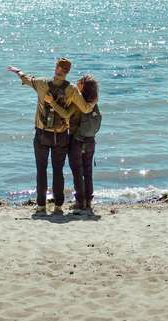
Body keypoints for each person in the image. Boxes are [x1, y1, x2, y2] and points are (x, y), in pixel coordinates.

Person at [7, 59, 74, 214]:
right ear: (67, 72)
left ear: (56, 68)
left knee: (41, 170)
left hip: (42, 134)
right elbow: (82, 106)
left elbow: (26, 79)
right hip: (61, 135)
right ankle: (58, 206)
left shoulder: (42, 83)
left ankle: (41, 206)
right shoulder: (71, 89)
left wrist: (18, 71)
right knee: (58, 171)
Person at [65, 75, 102, 213]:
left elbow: (67, 115)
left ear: (82, 86)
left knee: (77, 172)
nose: (76, 84)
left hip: (77, 140)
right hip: (91, 140)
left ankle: (80, 202)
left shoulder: (78, 102)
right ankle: (88, 201)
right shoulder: (94, 102)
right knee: (88, 171)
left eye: (79, 83)